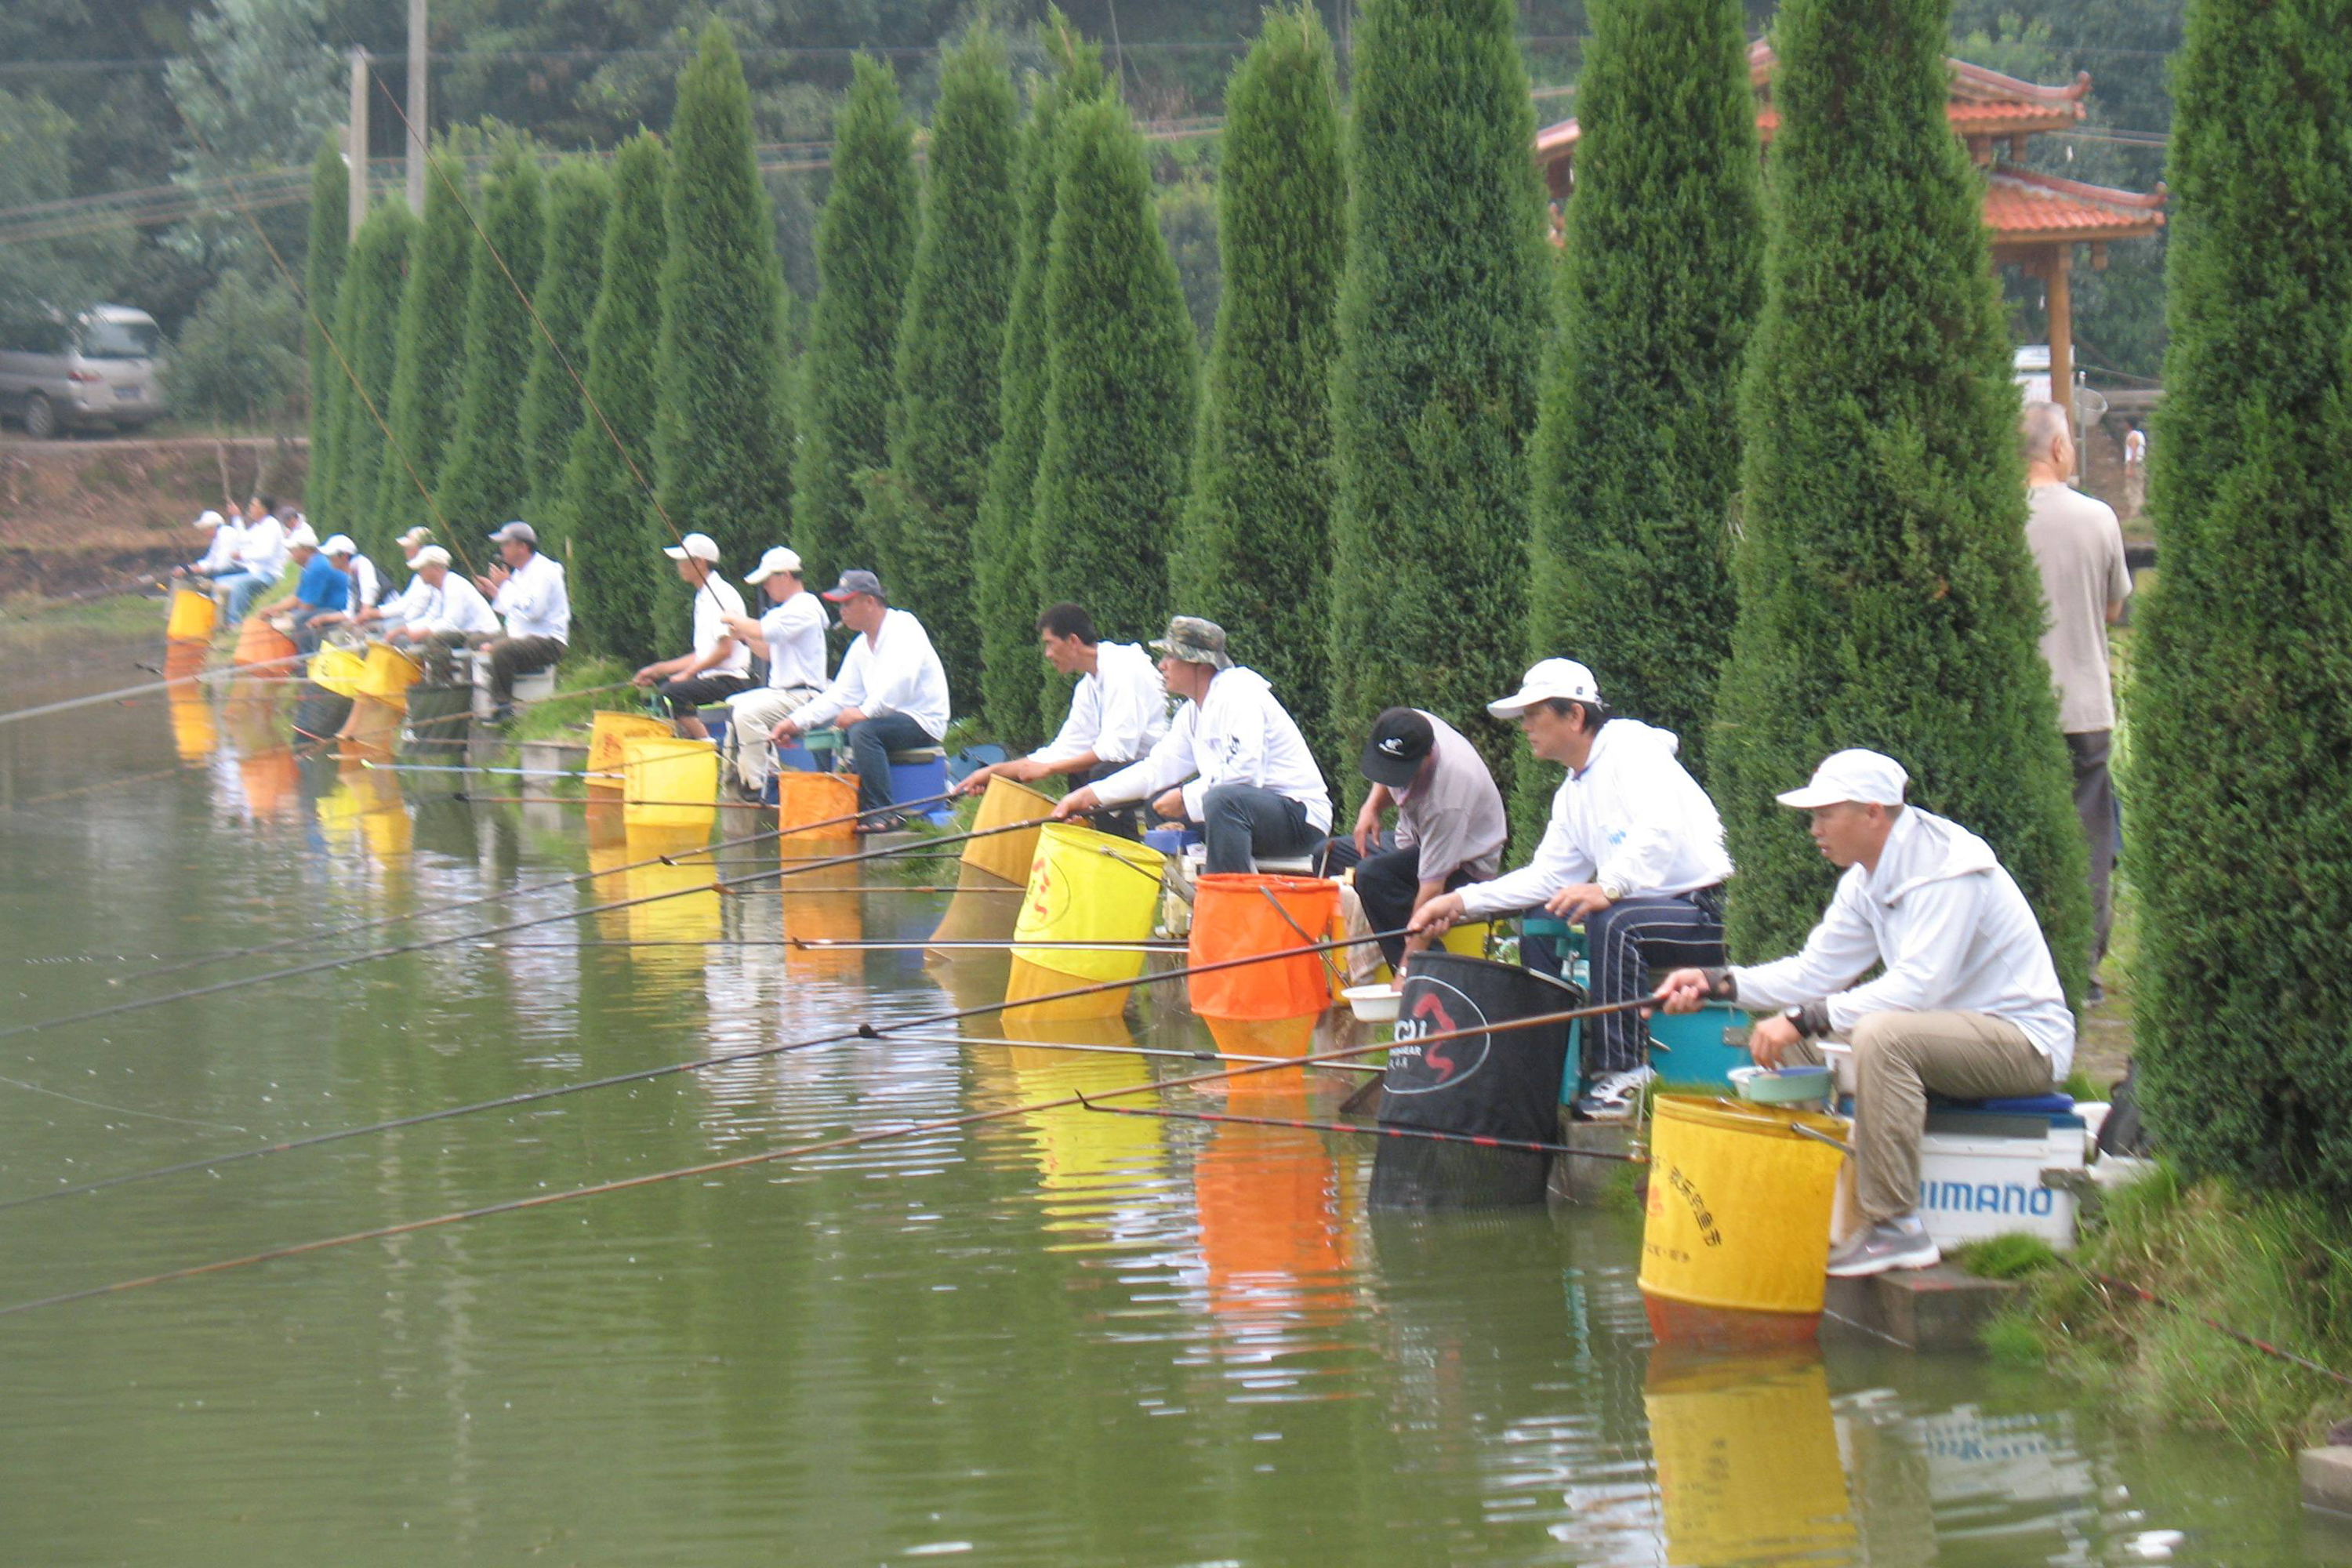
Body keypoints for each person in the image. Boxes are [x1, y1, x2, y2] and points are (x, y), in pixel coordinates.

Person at [1653, 749, 2074, 1278]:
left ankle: (1895, 1226)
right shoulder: (1866, 879)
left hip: (2026, 1045)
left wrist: (1805, 1017)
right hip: (1945, 1037)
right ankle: (1810, 1204)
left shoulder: (1949, 868)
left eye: (1826, 814)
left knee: (1880, 1036)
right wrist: (1720, 981)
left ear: (1874, 812)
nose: (1814, 829)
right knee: (1799, 1044)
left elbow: (1918, 987)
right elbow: (1816, 971)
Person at [1409, 659, 1730, 1119]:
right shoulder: (1573, 791)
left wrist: (1610, 887)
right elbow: (1547, 877)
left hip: (1707, 910)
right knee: (1543, 915)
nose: (1525, 727)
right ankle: (1546, 1065)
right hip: (1654, 913)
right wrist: (1461, 902)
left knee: (1614, 921)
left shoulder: (1633, 749)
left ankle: (1625, 1073)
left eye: (1533, 714)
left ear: (1575, 716)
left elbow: (1661, 828)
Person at [1054, 616, 1330, 874]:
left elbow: (1245, 773)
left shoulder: (1238, 695)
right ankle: (1188, 894)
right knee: (1157, 806)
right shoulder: (1191, 712)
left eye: (1170, 656)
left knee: (1222, 801)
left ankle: (1229, 899)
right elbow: (1155, 770)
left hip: (1301, 820)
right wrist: (1088, 796)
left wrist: (1187, 797)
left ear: (1199, 663)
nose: (1162, 665)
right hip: (1251, 815)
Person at [2020, 401, 2132, 994]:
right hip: (2086, 706)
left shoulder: (1997, 518)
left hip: (2022, 709)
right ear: (2060, 449)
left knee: (2027, 833)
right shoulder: (2098, 518)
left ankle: (2028, 962)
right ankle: (2082, 966)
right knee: (2089, 836)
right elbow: (2114, 608)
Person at [956, 603, 1169, 837]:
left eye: (1050, 643)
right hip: (1127, 765)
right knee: (1079, 770)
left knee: (1101, 771)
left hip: (1158, 768)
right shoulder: (1088, 686)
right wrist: (994, 773)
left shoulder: (1122, 669)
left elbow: (1117, 750)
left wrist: (1049, 769)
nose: (1047, 654)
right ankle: (1094, 841)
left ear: (1073, 641)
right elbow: (1066, 749)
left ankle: (1123, 849)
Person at [1319, 707, 1507, 967]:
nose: (1393, 777)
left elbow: (1432, 887)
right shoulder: (1409, 726)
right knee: (1327, 853)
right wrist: (1371, 807)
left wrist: (1406, 970)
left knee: (1372, 877)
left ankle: (1430, 974)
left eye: (1400, 771)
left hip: (1465, 866)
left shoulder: (1448, 797)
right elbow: (1389, 763)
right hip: (1416, 842)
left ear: (1427, 755)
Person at [775, 570, 950, 831]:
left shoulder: (905, 627)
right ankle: (839, 806)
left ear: (870, 601)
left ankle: (884, 813)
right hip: (885, 722)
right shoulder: (860, 646)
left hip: (923, 721)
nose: (842, 611)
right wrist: (794, 722)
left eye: (847, 603)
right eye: (840, 605)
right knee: (821, 734)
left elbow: (902, 683)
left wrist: (865, 712)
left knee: (863, 732)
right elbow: (839, 695)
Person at [716, 546, 830, 799]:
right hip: (783, 694)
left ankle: (760, 785)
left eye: (768, 580)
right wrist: (743, 636)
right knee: (733, 705)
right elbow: (768, 651)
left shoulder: (804, 607)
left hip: (804, 695)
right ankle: (736, 779)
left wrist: (735, 619)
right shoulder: (787, 611)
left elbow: (762, 630)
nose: (765, 587)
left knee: (747, 714)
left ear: (786, 576)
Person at [631, 532, 752, 739]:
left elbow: (725, 650)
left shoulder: (720, 594)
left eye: (683, 560)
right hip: (714, 678)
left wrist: (687, 674)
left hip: (731, 680)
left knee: (672, 693)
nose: (679, 565)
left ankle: (707, 745)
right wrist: (658, 670)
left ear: (700, 562)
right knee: (667, 689)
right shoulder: (703, 596)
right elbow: (701, 655)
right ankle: (698, 741)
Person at [473, 521, 569, 724]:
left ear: (523, 547)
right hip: (523, 635)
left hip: (549, 641)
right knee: (474, 642)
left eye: (506, 544)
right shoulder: (520, 573)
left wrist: (505, 586)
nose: (502, 549)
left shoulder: (544, 572)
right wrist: (494, 591)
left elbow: (534, 612)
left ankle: (503, 710)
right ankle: (471, 706)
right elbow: (515, 611)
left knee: (502, 650)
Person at [390, 546, 500, 682]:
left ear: (436, 568)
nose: (419, 573)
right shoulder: (439, 589)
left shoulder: (454, 586)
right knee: (430, 638)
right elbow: (431, 617)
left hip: (484, 633)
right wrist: (404, 629)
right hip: (467, 632)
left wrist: (422, 632)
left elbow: (450, 623)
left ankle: (443, 683)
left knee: (435, 640)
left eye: (422, 568)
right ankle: (435, 680)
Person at [253, 522, 345, 650]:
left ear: (306, 550)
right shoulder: (309, 566)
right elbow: (298, 597)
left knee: (301, 619)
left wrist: (285, 614)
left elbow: (307, 606)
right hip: (326, 609)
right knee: (297, 616)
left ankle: (305, 658)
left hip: (339, 610)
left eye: (293, 550)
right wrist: (273, 609)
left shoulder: (318, 567)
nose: (291, 554)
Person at [216, 495, 288, 628]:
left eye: (253, 505)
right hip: (255, 572)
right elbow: (243, 539)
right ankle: (217, 622)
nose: (250, 508)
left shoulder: (272, 526)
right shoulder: (258, 526)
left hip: (270, 574)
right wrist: (236, 517)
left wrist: (242, 555)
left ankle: (235, 622)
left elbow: (267, 554)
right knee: (219, 582)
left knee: (240, 585)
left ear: (263, 509)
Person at [351, 528, 434, 635]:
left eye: (408, 548)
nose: (405, 551)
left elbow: (405, 610)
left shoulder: (428, 578)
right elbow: (403, 604)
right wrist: (372, 613)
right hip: (407, 622)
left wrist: (372, 613)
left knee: (380, 628)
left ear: (421, 548)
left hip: (416, 626)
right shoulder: (418, 578)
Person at [172, 510, 243, 583]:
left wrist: (190, 570)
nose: (203, 533)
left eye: (204, 529)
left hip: (238, 571)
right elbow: (209, 561)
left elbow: (221, 566)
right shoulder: (218, 536)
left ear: (212, 527)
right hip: (227, 572)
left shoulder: (226, 534)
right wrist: (186, 569)